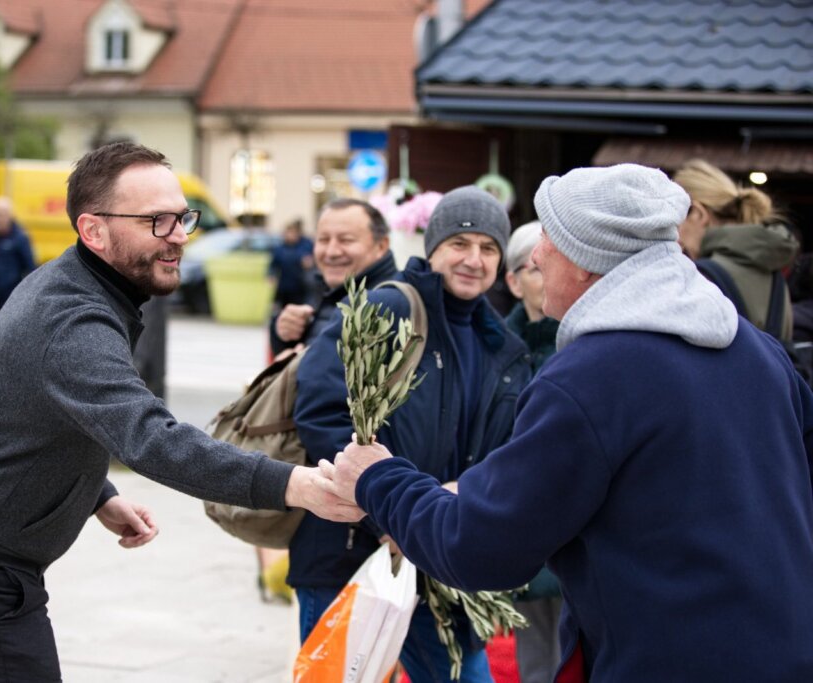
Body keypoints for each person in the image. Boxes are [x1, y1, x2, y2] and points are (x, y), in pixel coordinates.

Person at [321, 164, 813, 682]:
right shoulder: (760, 353)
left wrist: (379, 479)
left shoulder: (591, 379)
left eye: (548, 238)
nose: (534, 253)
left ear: (585, 260)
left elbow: (481, 547)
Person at [0, 141, 358, 681]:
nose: (180, 236)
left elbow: (39, 415)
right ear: (93, 231)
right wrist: (294, 485)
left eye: (182, 217)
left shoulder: (83, 287)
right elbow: (153, 439)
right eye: (157, 222)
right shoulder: (72, 320)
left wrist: (97, 495)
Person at [291, 186, 532, 682]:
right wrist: (387, 512)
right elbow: (321, 411)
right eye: (460, 244)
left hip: (439, 555)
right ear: (433, 247)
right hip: (350, 551)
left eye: (488, 248)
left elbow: (503, 450)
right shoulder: (387, 309)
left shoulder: (503, 348)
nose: (473, 259)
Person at [501, 220, 562, 683]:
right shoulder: (498, 346)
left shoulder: (583, 340)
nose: (547, 277)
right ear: (513, 280)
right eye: (536, 267)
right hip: (523, 519)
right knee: (538, 661)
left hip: (575, 522)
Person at [674, 158, 799, 339]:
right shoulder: (772, 271)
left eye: (675, 223)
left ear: (698, 213)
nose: (676, 238)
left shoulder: (702, 276)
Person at [269, 199, 397, 356]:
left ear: (381, 246)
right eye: (323, 240)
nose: (332, 252)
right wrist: (284, 334)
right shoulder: (320, 287)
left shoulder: (391, 305)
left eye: (346, 240)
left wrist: (297, 365)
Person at [268, 219, 314, 309]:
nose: (290, 235)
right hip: (283, 287)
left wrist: (309, 263)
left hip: (301, 287)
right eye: (288, 233)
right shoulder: (279, 249)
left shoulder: (305, 246)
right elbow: (273, 264)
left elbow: (312, 261)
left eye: (293, 233)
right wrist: (271, 275)